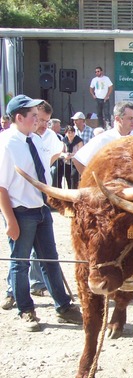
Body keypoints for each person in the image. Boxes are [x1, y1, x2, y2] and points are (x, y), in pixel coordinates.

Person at [0, 94, 82, 331]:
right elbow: (2, 187)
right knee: (20, 263)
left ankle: (63, 307)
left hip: (41, 210)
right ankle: (25, 310)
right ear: (19, 117)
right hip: (20, 211)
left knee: (50, 260)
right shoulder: (7, 144)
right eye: (33, 116)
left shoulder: (34, 140)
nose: (38, 120)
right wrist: (9, 220)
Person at [73, 101, 133, 173]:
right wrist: (92, 181)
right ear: (117, 119)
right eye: (130, 118)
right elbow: (78, 160)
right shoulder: (103, 139)